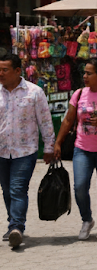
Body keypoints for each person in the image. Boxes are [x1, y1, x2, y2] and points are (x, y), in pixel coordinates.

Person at [54, 58, 97, 241]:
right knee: (79, 187)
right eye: (84, 73)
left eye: (89, 73)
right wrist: (57, 143)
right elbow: (68, 120)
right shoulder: (78, 94)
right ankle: (87, 220)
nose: (84, 76)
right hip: (82, 149)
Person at [0, 53, 55, 248]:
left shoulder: (34, 92)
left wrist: (49, 146)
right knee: (6, 190)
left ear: (17, 71)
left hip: (25, 151)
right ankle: (12, 223)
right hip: (1, 151)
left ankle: (17, 226)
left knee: (17, 189)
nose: (1, 74)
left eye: (4, 70)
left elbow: (45, 121)